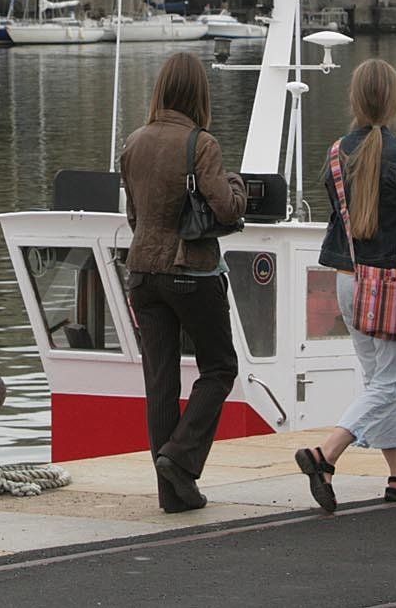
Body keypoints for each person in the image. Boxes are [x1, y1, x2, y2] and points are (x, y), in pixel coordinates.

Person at [292, 59, 396, 512]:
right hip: (388, 284)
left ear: (354, 100)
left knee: (376, 379)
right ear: (392, 100)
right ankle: (325, 455)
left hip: (348, 282)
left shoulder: (335, 152)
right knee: (389, 384)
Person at [120, 51, 246, 513]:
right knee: (219, 368)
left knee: (161, 382)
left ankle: (171, 495)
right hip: (190, 272)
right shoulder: (202, 144)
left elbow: (134, 214)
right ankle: (180, 456)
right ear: (198, 93)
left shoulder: (133, 141)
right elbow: (227, 209)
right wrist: (235, 183)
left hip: (142, 273)